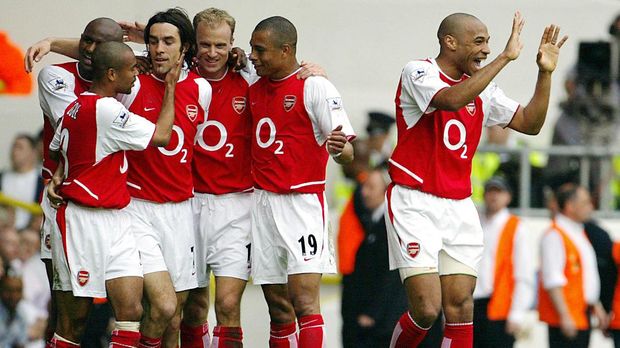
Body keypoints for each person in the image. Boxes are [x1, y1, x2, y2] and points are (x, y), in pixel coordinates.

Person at [385, 12, 567, 347]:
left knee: (461, 306)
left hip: (459, 206)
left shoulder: (484, 88)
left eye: (488, 42)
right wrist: (505, 58)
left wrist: (544, 73)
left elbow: (530, 123)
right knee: (427, 308)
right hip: (414, 201)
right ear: (449, 42)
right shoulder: (419, 71)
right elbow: (450, 100)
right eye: (479, 41)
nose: (486, 48)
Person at [46, 40, 181, 347]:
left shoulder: (76, 104)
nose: (136, 75)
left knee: (131, 311)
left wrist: (61, 175)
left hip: (118, 220)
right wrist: (170, 88)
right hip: (84, 221)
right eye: (131, 69)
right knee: (73, 322)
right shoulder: (105, 109)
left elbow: (58, 152)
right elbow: (161, 136)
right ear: (110, 74)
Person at [248, 16, 355, 347]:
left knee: (305, 301)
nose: (253, 55)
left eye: (260, 49)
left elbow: (348, 150)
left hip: (302, 203)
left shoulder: (315, 86)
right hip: (261, 202)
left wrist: (340, 150)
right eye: (252, 48)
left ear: (285, 50)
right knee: (278, 308)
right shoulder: (252, 80)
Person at [27, 18, 125, 344]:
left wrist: (54, 39)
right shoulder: (56, 76)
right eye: (86, 40)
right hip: (63, 203)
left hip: (113, 205)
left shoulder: (127, 77)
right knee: (66, 312)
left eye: (100, 45)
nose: (89, 49)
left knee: (125, 307)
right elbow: (81, 126)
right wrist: (54, 44)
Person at [538, 183, 608, 348]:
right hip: (566, 318)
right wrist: (565, 316)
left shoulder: (578, 232)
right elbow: (553, 279)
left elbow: (585, 277)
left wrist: (595, 305)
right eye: (585, 202)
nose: (590, 207)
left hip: (580, 314)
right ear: (570, 206)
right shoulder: (555, 235)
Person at [473, 177, 535, 347]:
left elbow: (524, 273)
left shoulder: (516, 227)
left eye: (499, 192)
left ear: (508, 197)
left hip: (501, 307)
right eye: (490, 191)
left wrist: (517, 312)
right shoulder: (474, 222)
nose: (494, 196)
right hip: (472, 304)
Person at [0, 134, 43, 230]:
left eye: (20, 147)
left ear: (33, 152)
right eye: (13, 146)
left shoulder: (41, 182)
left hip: (31, 235)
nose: (14, 151)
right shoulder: (2, 176)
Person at [0, 269, 46, 347]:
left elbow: (20, 344)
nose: (13, 296)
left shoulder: (21, 313)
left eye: (18, 290)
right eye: (9, 291)